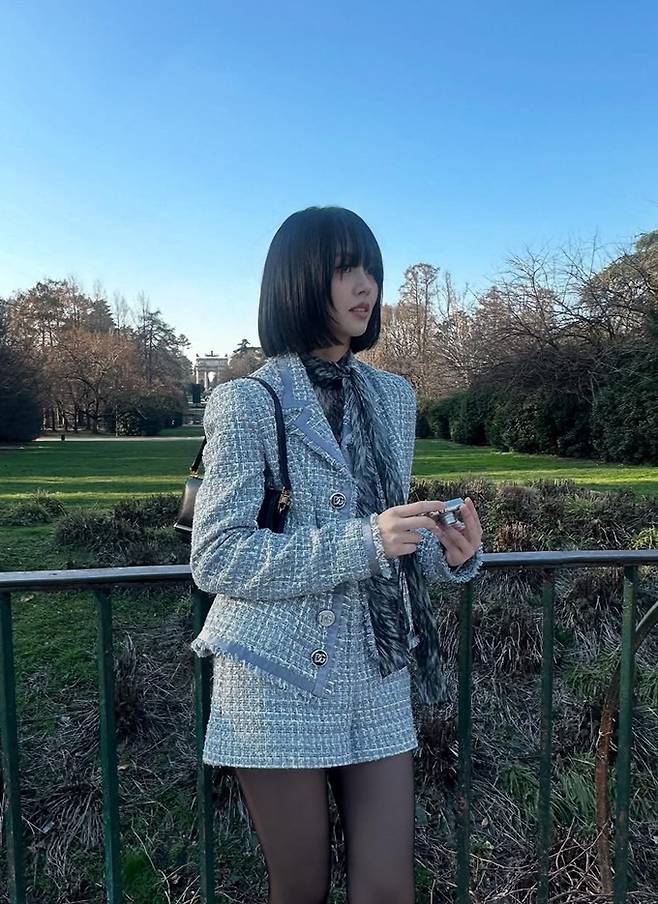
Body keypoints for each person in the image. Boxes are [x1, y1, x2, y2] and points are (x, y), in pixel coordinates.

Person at [190, 206, 484, 904]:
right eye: (345, 269)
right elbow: (218, 555)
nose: (366, 286)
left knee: (387, 889)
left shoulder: (393, 398)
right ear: (297, 280)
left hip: (377, 669)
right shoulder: (247, 401)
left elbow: (389, 539)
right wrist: (366, 540)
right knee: (300, 889)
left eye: (371, 270)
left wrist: (447, 552)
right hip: (274, 676)